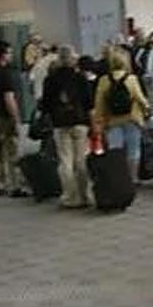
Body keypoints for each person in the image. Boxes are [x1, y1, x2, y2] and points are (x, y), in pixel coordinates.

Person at [41, 45, 95, 208]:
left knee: (65, 161)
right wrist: (93, 123)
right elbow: (89, 103)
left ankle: (70, 197)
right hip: (80, 123)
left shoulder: (50, 80)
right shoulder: (81, 78)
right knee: (81, 160)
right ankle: (85, 195)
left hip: (60, 124)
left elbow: (45, 105)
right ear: (72, 59)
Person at [94, 46, 151, 182]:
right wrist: (147, 110)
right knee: (133, 150)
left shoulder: (104, 80)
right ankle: (133, 178)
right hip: (132, 119)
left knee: (116, 151)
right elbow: (140, 99)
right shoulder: (131, 79)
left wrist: (99, 121)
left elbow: (99, 103)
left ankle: (119, 178)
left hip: (112, 121)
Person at [0, 41, 28, 197]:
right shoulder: (6, 73)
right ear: (3, 55)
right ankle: (14, 185)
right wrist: (16, 119)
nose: (11, 56)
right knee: (12, 151)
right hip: (5, 117)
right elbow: (9, 97)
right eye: (9, 53)